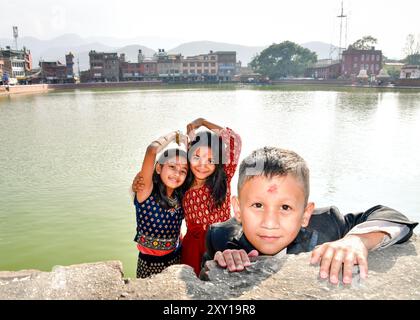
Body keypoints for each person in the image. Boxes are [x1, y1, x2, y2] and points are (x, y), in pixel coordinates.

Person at [202, 147, 418, 284]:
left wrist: (357, 241)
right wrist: (221, 263)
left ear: (306, 214)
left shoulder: (328, 224)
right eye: (258, 205)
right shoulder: (219, 237)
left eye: (285, 208)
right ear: (238, 209)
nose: (270, 223)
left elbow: (392, 217)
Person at [180, 118, 242, 276]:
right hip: (192, 246)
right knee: (192, 284)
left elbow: (234, 140)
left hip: (221, 241)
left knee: (220, 281)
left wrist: (202, 122)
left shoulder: (224, 177)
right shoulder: (183, 180)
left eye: (210, 159)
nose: (202, 165)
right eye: (197, 157)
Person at [131, 131, 190, 278]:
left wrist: (185, 142)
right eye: (172, 167)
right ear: (159, 168)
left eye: (183, 171)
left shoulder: (180, 195)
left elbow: (196, 165)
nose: (177, 173)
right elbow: (152, 150)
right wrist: (174, 135)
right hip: (149, 264)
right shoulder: (146, 192)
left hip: (176, 258)